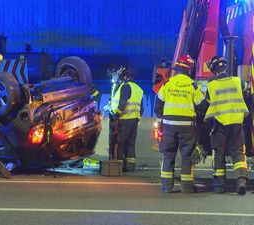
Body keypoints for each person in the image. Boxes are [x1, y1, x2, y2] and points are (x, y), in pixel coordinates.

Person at [154, 54, 206, 193]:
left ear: (177, 68)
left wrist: (161, 123)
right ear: (189, 69)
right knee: (187, 156)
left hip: (169, 127)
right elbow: (202, 107)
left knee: (168, 155)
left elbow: (158, 106)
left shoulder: (167, 85)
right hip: (187, 127)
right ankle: (186, 188)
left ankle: (166, 187)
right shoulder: (193, 86)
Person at [204, 56, 249, 195]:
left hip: (220, 124)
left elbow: (207, 102)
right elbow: (246, 89)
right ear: (226, 68)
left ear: (214, 70)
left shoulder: (211, 86)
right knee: (238, 153)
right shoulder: (237, 81)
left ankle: (219, 185)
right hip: (236, 122)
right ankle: (241, 180)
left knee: (219, 152)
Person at [105, 66, 144, 172]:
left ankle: (120, 166)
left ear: (126, 77)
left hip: (125, 118)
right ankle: (130, 166)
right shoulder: (139, 89)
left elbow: (122, 103)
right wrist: (137, 118)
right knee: (131, 143)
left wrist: (116, 114)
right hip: (135, 120)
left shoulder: (125, 87)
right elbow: (142, 108)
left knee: (120, 142)